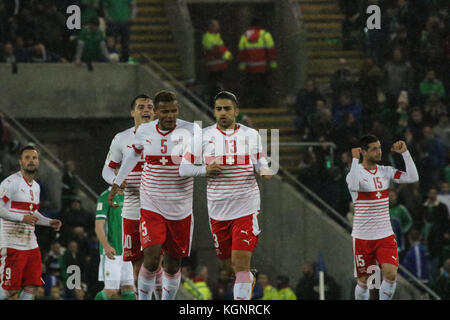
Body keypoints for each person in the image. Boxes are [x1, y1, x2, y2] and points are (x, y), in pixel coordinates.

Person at [179, 91, 272, 300]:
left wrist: (263, 169)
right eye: (219, 109)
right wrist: (204, 170)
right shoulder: (202, 136)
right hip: (218, 210)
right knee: (227, 267)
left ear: (236, 112)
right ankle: (247, 277)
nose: (222, 113)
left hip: (246, 206)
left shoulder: (250, 135)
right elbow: (183, 168)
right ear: (214, 111)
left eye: (227, 109)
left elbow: (260, 160)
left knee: (240, 263)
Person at [108, 90, 199, 300]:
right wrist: (116, 182)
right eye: (165, 111)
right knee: (150, 259)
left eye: (174, 111)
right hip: (151, 204)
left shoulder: (192, 130)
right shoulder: (146, 130)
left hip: (180, 207)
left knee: (173, 263)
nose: (170, 115)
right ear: (157, 112)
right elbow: (133, 155)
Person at [347, 135, 419, 300]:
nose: (379, 151)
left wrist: (405, 153)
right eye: (374, 149)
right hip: (363, 237)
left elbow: (413, 177)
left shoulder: (385, 171)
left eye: (379, 147)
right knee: (363, 281)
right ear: (363, 152)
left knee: (391, 274)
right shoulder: (355, 173)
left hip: (385, 234)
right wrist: (354, 160)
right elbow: (352, 184)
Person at [102, 94, 156, 289]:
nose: (146, 110)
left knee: (156, 259)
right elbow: (107, 170)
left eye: (150, 107)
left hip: (158, 205)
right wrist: (117, 181)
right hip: (132, 205)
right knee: (136, 262)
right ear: (132, 112)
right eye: (141, 107)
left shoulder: (165, 137)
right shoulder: (121, 138)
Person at [0, 145, 62, 300]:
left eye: (34, 158)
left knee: (32, 286)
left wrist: (48, 222)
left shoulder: (36, 186)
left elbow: (32, 213)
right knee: (9, 291)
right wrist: (21, 218)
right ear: (20, 161)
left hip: (31, 245)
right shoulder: (11, 183)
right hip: (12, 243)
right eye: (27, 158)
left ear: (38, 162)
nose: (31, 161)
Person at [94, 182, 135, 300]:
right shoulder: (105, 196)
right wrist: (106, 246)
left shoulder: (130, 197)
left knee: (129, 289)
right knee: (111, 292)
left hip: (128, 251)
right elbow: (98, 226)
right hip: (112, 251)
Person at [238, 17, 277, 108]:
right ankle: (263, 104)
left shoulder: (244, 36)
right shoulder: (265, 35)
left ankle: (251, 104)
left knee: (250, 86)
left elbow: (241, 52)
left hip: (250, 68)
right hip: (263, 67)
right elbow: (271, 50)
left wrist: (242, 67)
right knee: (263, 86)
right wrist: (272, 65)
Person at [202, 19, 232, 103]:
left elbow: (222, 48)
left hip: (219, 66)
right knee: (214, 85)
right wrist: (223, 53)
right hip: (213, 66)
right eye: (215, 25)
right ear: (210, 26)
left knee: (216, 84)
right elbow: (213, 50)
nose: (218, 27)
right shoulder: (207, 36)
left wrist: (227, 54)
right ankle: (211, 101)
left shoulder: (217, 36)